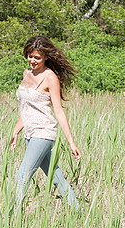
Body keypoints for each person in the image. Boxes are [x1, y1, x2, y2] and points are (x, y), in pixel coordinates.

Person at [10, 36, 82, 212]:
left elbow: (58, 111)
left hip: (43, 134)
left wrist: (71, 142)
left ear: (46, 57)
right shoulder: (26, 74)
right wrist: (16, 131)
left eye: (37, 57)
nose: (32, 60)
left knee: (22, 176)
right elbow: (26, 108)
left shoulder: (50, 78)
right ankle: (78, 213)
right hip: (29, 133)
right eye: (30, 56)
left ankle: (12, 218)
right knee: (56, 177)